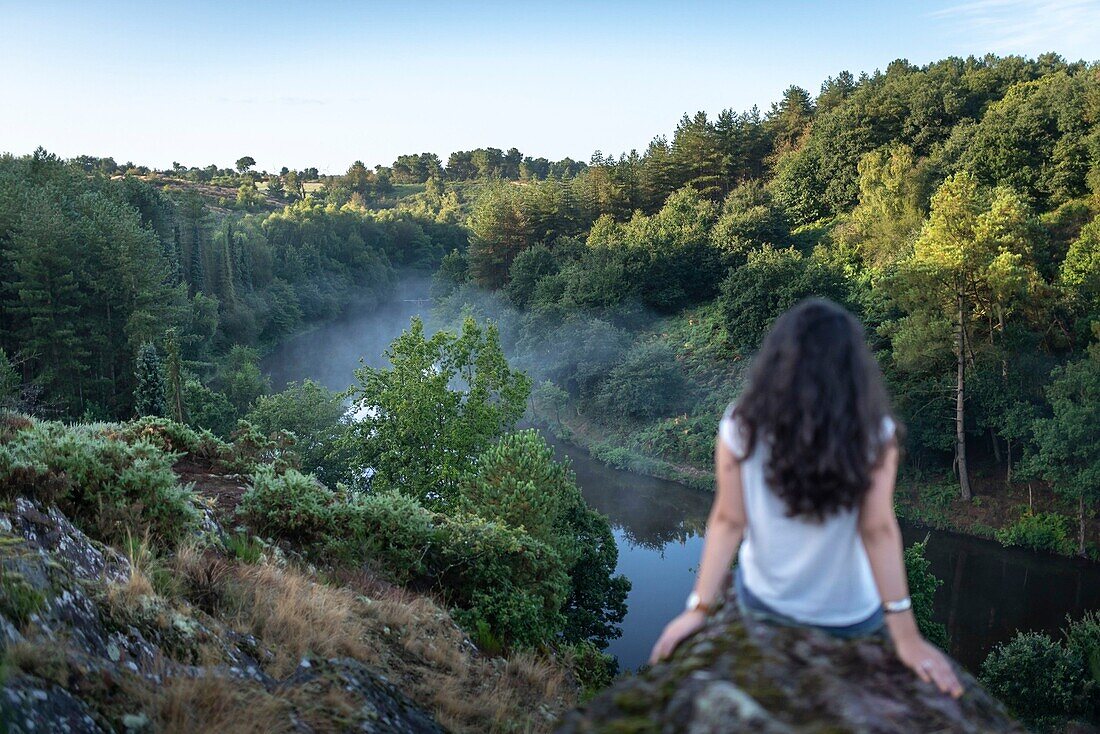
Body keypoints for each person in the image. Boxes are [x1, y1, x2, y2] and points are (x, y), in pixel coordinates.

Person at [649, 298, 963, 698]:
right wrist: (905, 637)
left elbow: (729, 521)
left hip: (766, 604)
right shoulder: (874, 434)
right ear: (853, 368)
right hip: (848, 616)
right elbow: (878, 531)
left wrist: (697, 610)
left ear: (779, 360)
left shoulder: (740, 424)